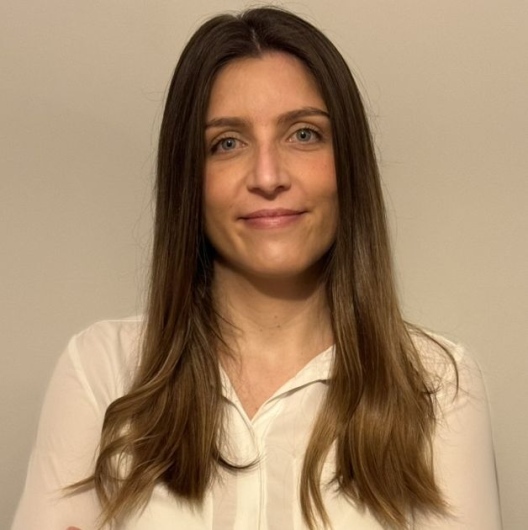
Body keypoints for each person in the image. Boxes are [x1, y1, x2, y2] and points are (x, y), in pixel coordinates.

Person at [11, 6, 501, 530]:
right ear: (189, 179)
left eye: (304, 134)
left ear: (349, 164)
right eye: (227, 143)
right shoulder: (103, 372)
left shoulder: (436, 385)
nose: (268, 177)